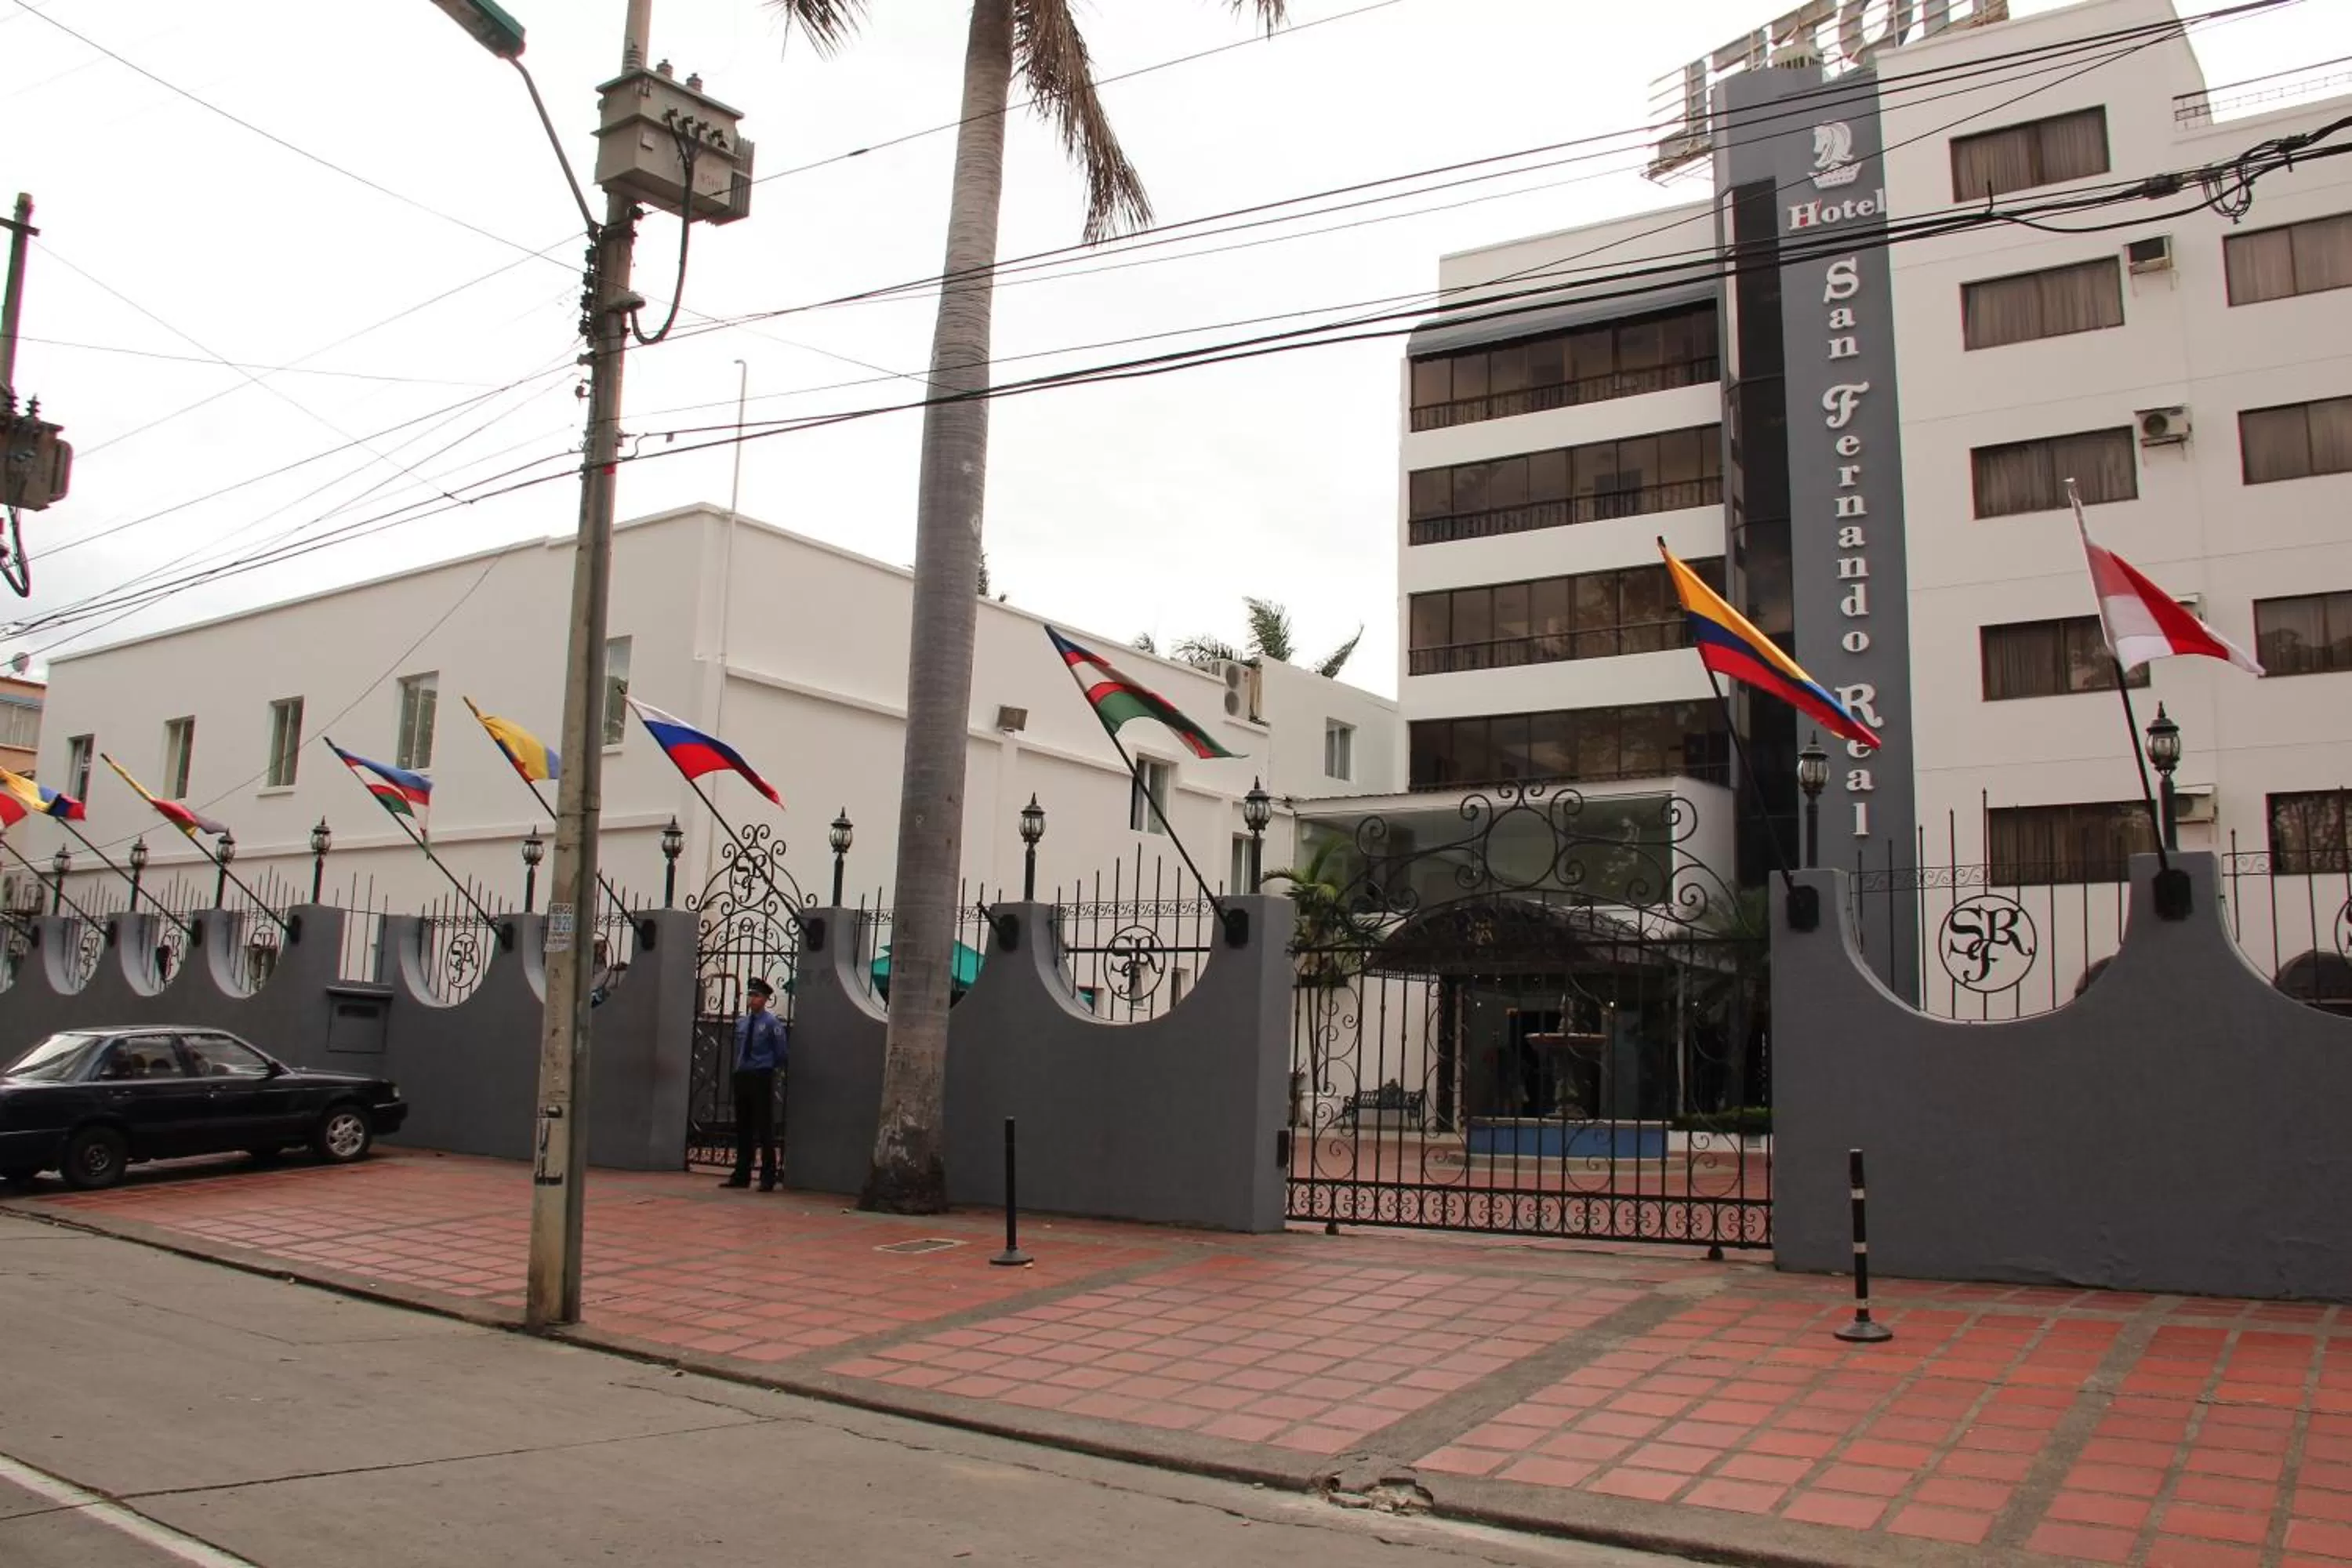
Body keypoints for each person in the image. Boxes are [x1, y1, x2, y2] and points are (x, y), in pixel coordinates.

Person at [723, 976, 786, 1191]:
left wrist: (768, 1068)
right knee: (743, 1126)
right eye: (750, 994)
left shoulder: (772, 1024)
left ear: (766, 999)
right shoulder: (742, 1022)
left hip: (761, 1074)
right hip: (743, 1075)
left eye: (757, 995)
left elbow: (781, 1053)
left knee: (764, 1126)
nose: (752, 999)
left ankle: (768, 1175)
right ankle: (741, 1174)